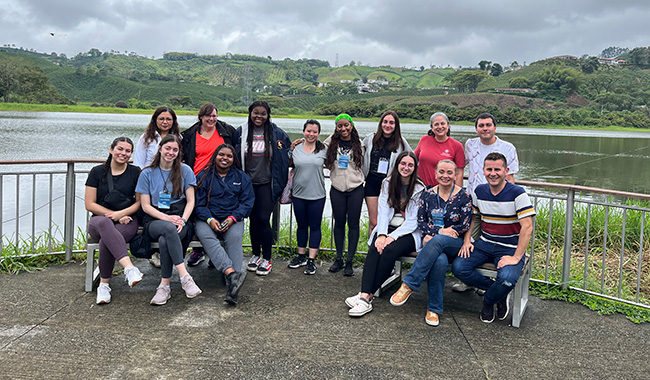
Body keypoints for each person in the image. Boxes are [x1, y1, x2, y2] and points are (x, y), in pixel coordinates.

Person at [451, 152, 535, 323]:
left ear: (506, 171)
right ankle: (498, 294)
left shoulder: (517, 193)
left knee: (506, 280)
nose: (493, 173)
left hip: (510, 247)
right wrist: (467, 241)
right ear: (483, 170)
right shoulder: (480, 191)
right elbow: (473, 218)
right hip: (485, 243)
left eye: (497, 169)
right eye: (489, 169)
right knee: (459, 268)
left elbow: (527, 227)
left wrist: (516, 257)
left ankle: (488, 300)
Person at [388, 159, 472, 326]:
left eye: (449, 172)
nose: (445, 176)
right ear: (435, 174)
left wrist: (435, 235)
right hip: (435, 245)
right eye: (441, 172)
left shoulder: (464, 196)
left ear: (456, 175)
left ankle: (409, 284)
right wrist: (438, 232)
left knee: (439, 241)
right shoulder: (427, 195)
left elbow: (464, 224)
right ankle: (434, 308)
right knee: (439, 260)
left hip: (456, 244)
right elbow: (421, 221)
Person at [346, 151, 425, 317]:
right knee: (375, 247)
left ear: (415, 168)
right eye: (403, 164)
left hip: (408, 233)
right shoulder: (388, 183)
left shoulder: (419, 188)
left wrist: (391, 237)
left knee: (389, 250)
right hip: (387, 227)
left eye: (410, 165)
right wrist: (381, 234)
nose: (406, 167)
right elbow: (383, 211)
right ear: (397, 165)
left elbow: (413, 221)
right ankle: (365, 296)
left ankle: (365, 297)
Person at [456, 112, 519, 293]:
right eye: (481, 125)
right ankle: (470, 280)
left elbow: (511, 177)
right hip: (473, 203)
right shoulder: (470, 144)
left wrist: (510, 204)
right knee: (469, 242)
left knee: (493, 241)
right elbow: (460, 166)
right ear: (476, 129)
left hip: (497, 206)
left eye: (488, 125)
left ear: (495, 127)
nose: (485, 128)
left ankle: (490, 283)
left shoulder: (507, 147)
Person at [136, 134, 202, 305]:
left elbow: (191, 201)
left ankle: (164, 286)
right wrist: (167, 218)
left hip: (180, 216)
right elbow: (145, 206)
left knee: (165, 240)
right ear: (160, 149)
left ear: (179, 152)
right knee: (167, 228)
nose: (170, 152)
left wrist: (183, 220)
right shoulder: (147, 173)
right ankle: (185, 276)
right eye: (167, 148)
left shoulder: (185, 170)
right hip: (155, 218)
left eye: (175, 150)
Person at [233, 100, 291, 276]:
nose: (259, 116)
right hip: (247, 184)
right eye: (255, 112)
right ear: (250, 113)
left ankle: (267, 257)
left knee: (263, 219)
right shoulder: (241, 132)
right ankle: (255, 254)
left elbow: (286, 153)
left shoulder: (276, 133)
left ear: (268, 115)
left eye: (263, 113)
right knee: (252, 220)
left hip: (267, 183)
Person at [85, 137, 143, 305]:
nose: (123, 153)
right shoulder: (97, 172)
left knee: (107, 239)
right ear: (111, 150)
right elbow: (90, 203)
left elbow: (139, 202)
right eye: (120, 149)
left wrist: (123, 213)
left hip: (128, 219)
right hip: (99, 219)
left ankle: (104, 285)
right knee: (105, 225)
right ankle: (129, 268)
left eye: (128, 151)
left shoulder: (135, 172)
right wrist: (114, 214)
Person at [194, 144, 254, 304]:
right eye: (221, 154)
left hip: (232, 218)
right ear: (215, 156)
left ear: (234, 159)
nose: (225, 158)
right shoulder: (204, 175)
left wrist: (233, 218)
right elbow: (197, 204)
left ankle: (232, 285)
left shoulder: (242, 177)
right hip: (207, 219)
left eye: (229, 156)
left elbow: (247, 203)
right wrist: (209, 219)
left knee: (234, 237)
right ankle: (232, 274)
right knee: (206, 237)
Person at [183, 103, 236, 267]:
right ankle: (198, 251)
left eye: (214, 116)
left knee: (219, 213)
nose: (211, 119)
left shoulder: (227, 132)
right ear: (201, 117)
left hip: (220, 180)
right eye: (208, 116)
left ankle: (217, 253)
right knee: (197, 215)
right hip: (196, 181)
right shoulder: (190, 134)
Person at [133, 106, 181, 268]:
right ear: (155, 120)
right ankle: (152, 251)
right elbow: (138, 163)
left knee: (166, 212)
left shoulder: (178, 138)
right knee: (148, 213)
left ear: (173, 121)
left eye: (169, 119)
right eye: (161, 118)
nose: (165, 122)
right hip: (148, 184)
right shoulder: (146, 138)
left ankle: (161, 251)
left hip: (169, 185)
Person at [324, 114, 366, 276]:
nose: (343, 129)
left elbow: (365, 166)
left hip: (356, 189)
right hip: (337, 190)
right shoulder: (330, 144)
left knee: (353, 225)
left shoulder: (360, 144)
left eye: (346, 125)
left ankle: (350, 260)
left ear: (352, 125)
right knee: (339, 223)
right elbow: (316, 148)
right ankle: (339, 258)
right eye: (339, 126)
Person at [287, 120, 327, 275]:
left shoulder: (324, 149)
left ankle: (311, 260)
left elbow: (333, 164)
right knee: (301, 226)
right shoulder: (295, 148)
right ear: (303, 131)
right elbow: (287, 161)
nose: (311, 134)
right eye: (309, 131)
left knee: (315, 226)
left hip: (317, 194)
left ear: (318, 133)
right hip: (298, 194)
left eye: (315, 132)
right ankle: (301, 256)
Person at [362, 110, 412, 234]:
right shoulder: (370, 138)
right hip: (372, 184)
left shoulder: (401, 142)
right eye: (385, 122)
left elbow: (413, 159)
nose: (387, 125)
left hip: (391, 186)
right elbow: (358, 152)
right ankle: (372, 249)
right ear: (381, 123)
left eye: (391, 123)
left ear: (396, 126)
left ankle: (385, 249)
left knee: (388, 221)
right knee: (374, 222)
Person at [414, 112, 465, 187]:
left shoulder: (457, 146)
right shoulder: (424, 139)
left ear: (448, 125)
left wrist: (457, 193)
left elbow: (459, 172)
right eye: (436, 124)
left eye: (442, 123)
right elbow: (413, 159)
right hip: (421, 187)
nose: (440, 127)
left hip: (443, 190)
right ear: (432, 127)